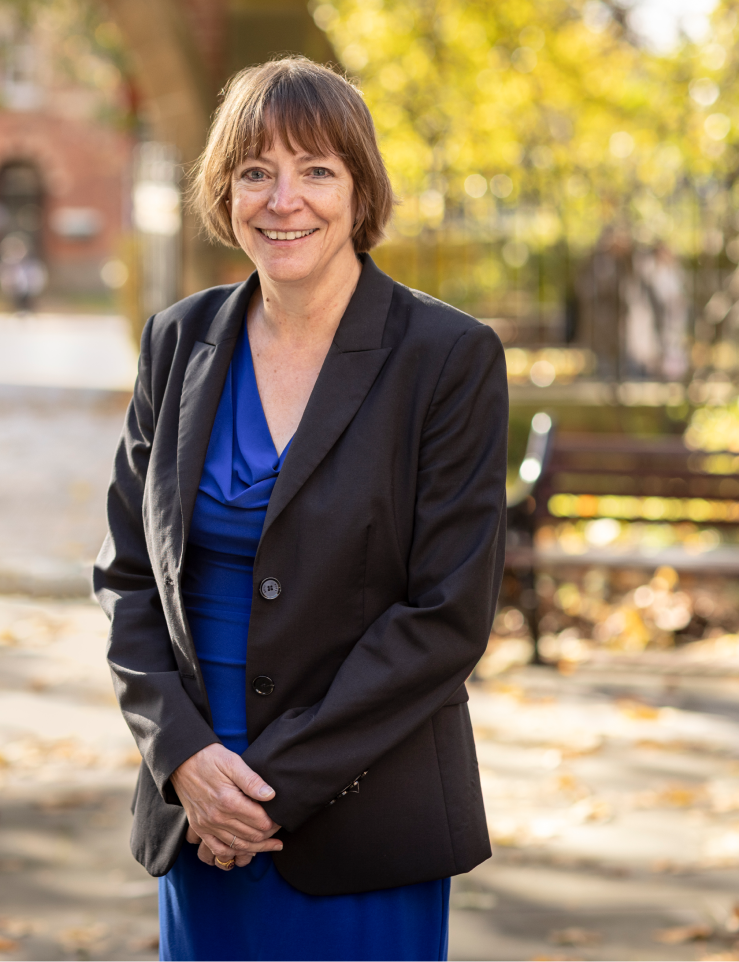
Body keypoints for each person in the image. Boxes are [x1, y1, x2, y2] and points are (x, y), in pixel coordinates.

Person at [93, 57, 506, 961]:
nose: (285, 200)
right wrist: (185, 759)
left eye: (316, 169)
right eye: (255, 172)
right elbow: (127, 577)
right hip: (199, 800)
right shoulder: (177, 342)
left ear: (360, 189)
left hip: (362, 806)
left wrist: (263, 791)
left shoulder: (447, 358)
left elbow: (447, 616)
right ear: (224, 191)